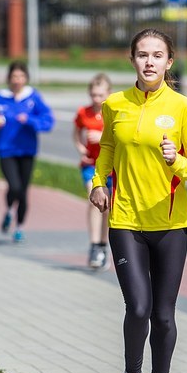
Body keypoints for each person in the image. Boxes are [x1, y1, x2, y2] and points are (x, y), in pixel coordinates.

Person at [90, 29, 187, 373]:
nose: (149, 62)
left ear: (169, 62)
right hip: (125, 220)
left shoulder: (183, 108)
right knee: (138, 307)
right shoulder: (114, 104)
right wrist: (98, 183)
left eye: (157, 55)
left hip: (170, 225)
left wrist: (177, 161)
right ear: (132, 60)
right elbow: (107, 148)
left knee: (163, 316)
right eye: (142, 55)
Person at [0, 61, 55, 243]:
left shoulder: (33, 97)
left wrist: (29, 120)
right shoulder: (0, 98)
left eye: (21, 76)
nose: (17, 80)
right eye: (14, 76)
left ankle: (19, 227)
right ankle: (9, 211)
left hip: (27, 150)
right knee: (14, 186)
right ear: (9, 78)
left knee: (23, 190)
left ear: (26, 78)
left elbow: (47, 121)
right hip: (6, 149)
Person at [73, 73, 112, 269]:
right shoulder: (83, 112)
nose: (97, 99)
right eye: (93, 95)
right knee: (94, 199)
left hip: (111, 167)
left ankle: (103, 245)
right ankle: (94, 244)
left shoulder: (113, 111)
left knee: (107, 206)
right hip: (91, 165)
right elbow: (76, 133)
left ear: (109, 93)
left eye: (101, 95)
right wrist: (81, 149)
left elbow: (120, 136)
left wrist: (101, 136)